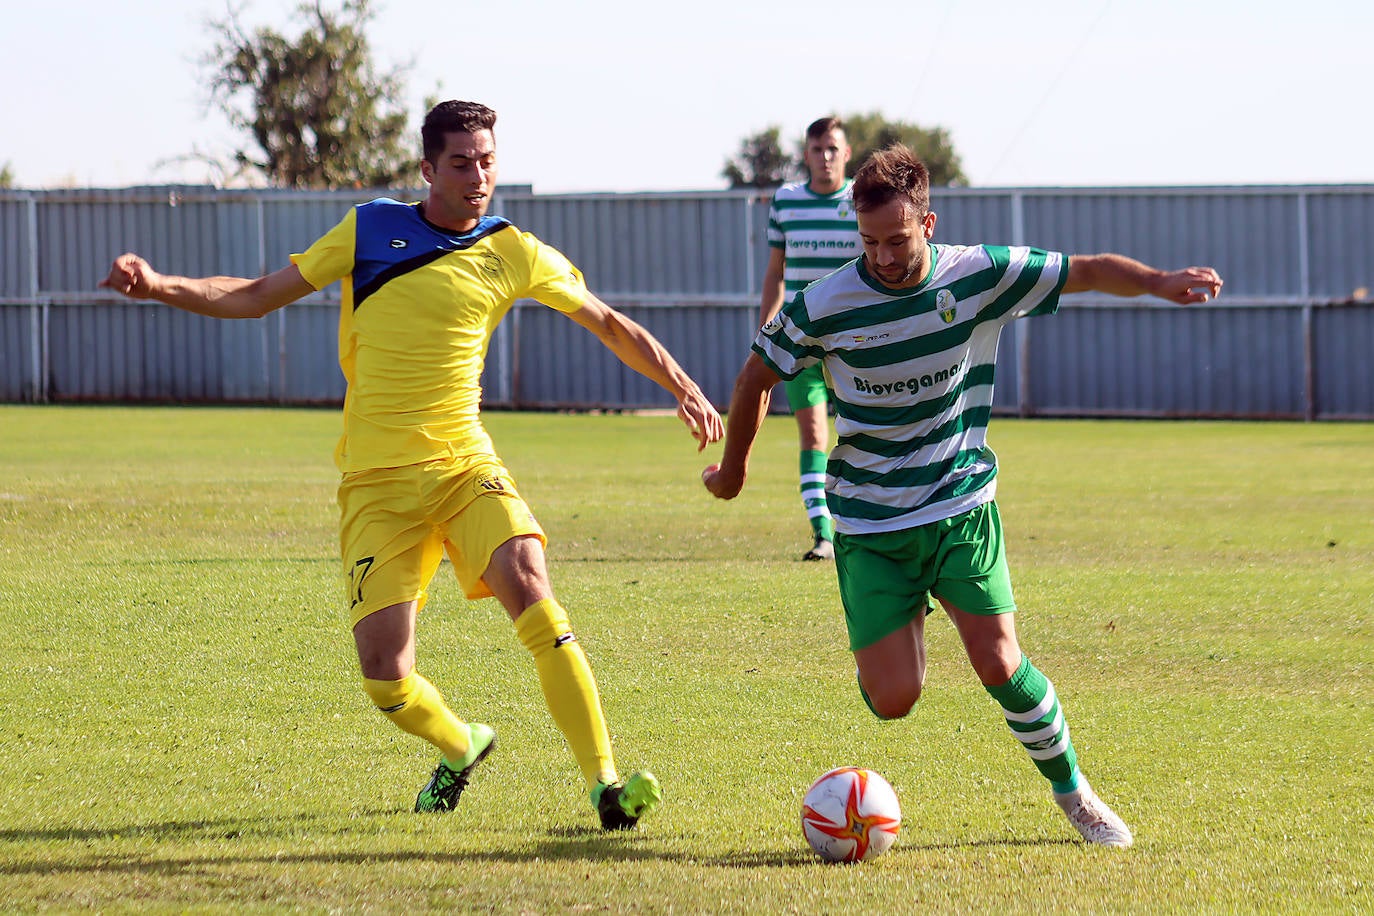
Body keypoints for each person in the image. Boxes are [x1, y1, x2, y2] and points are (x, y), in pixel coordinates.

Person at [100, 100, 724, 831]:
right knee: (385, 678)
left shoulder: (513, 249)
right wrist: (160, 285)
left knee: (533, 588)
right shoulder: (370, 230)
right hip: (376, 485)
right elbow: (259, 295)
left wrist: (682, 386)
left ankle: (606, 787)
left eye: (488, 160)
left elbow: (608, 322)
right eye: (461, 162)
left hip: (466, 467)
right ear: (429, 169)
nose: (478, 175)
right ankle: (462, 747)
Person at [704, 144, 1223, 847]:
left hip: (958, 502)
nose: (882, 257)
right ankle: (889, 637)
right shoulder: (824, 303)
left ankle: (1078, 796)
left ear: (928, 221)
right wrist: (733, 472)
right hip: (870, 519)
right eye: (869, 243)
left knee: (999, 662)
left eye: (897, 240)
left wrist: (1161, 281)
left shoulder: (978, 274)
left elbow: (1088, 271)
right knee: (894, 700)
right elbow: (754, 378)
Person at [759, 116, 860, 561]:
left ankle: (865, 527)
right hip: (801, 338)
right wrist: (766, 331)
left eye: (833, 149)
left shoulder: (862, 199)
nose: (825, 157)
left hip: (857, 341)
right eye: (818, 149)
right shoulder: (786, 202)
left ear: (847, 153)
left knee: (865, 435)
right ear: (806, 154)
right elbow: (774, 273)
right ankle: (823, 534)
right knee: (814, 434)